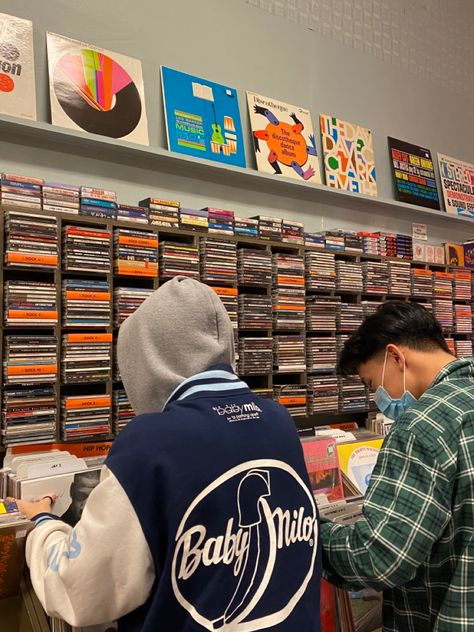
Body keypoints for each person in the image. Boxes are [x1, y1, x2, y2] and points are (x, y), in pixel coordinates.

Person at [15, 277, 321, 631]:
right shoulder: (280, 422)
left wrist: (42, 525)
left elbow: (79, 590)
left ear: (145, 362)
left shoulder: (149, 443)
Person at [321, 300, 474, 631]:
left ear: (395, 357)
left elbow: (381, 557)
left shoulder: (423, 425)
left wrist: (306, 530)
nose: (377, 395)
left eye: (371, 383)